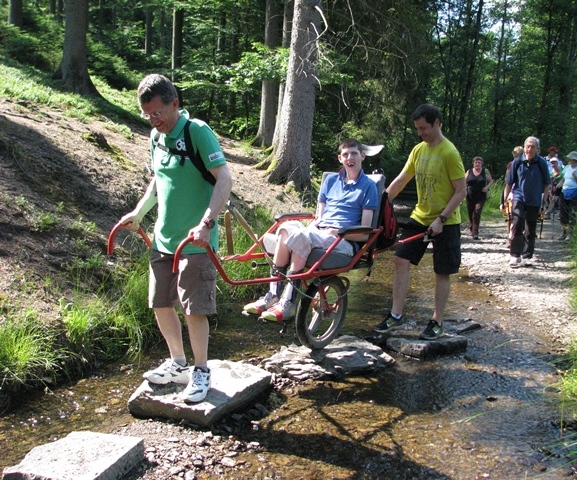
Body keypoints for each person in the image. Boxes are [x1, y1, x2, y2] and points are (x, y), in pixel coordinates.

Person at [119, 74, 233, 403]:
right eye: (147, 115)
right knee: (159, 303)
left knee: (193, 309)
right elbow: (158, 180)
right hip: (163, 239)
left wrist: (206, 224)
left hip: (196, 240)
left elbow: (224, 178)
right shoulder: (156, 137)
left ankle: (201, 371)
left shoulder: (197, 132)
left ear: (174, 104)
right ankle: (178, 363)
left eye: (158, 113)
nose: (154, 120)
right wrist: (139, 212)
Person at [243, 139, 379, 322]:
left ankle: (288, 302)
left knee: (300, 236)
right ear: (340, 158)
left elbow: (365, 233)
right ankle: (272, 295)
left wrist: (337, 232)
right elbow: (319, 217)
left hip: (344, 241)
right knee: (284, 228)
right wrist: (314, 228)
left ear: (362, 156)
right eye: (345, 154)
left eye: (354, 153)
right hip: (320, 232)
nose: (350, 158)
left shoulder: (368, 186)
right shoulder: (331, 181)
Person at [373, 104, 465, 340]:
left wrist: (441, 219)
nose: (420, 133)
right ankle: (396, 316)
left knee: (441, 271)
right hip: (420, 215)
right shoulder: (418, 150)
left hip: (447, 221)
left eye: (423, 128)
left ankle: (437, 321)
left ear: (437, 123)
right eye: (417, 129)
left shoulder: (450, 153)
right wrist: (380, 204)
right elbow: (402, 180)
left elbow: (460, 191)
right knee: (400, 259)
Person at [503, 136, 551, 268]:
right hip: (519, 197)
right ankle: (514, 255)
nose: (529, 149)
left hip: (535, 199)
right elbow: (509, 183)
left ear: (537, 149)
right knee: (517, 223)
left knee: (530, 228)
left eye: (532, 147)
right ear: (524, 147)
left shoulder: (541, 163)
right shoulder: (517, 162)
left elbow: (547, 184)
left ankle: (527, 256)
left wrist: (544, 202)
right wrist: (505, 200)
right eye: (527, 146)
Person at [556, 151, 577, 241]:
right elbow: (563, 179)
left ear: (574, 159)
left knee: (572, 213)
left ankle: (570, 234)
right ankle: (563, 233)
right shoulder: (567, 167)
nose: (569, 160)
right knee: (563, 213)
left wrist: (576, 177)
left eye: (570, 158)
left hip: (575, 193)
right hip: (564, 192)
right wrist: (558, 186)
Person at [465, 156, 493, 240]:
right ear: (473, 163)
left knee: (477, 212)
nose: (477, 164)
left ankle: (475, 233)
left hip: (481, 195)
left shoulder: (485, 171)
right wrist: (464, 191)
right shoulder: (469, 171)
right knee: (470, 213)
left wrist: (487, 187)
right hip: (470, 195)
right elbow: (463, 181)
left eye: (479, 162)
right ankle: (472, 227)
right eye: (476, 162)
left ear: (482, 164)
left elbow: (491, 181)